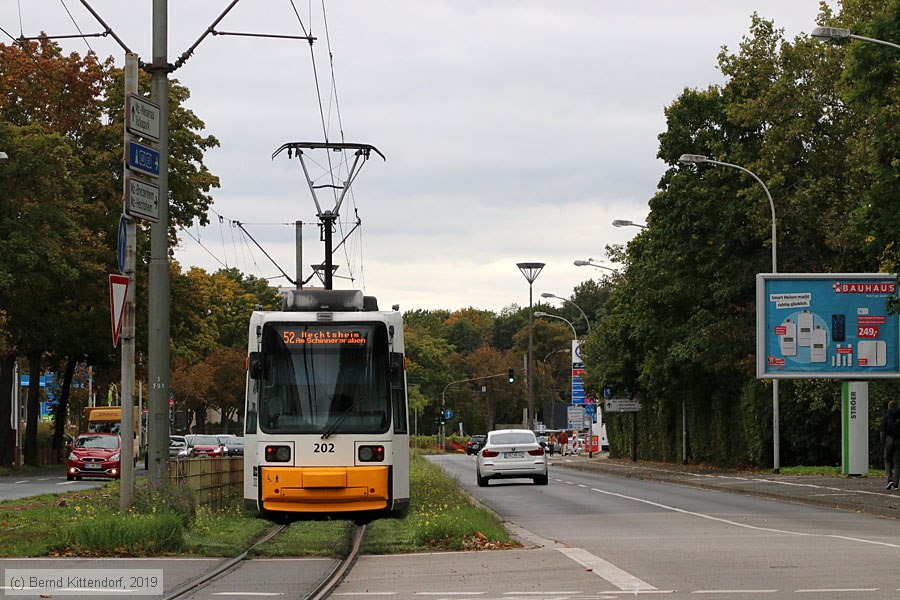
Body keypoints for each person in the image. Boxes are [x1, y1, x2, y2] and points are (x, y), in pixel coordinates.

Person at [880, 400, 900, 490]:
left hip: (889, 439)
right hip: (898, 440)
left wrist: (883, 441)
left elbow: (882, 431)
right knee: (897, 462)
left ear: (889, 407)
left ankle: (889, 479)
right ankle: (896, 484)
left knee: (887, 460)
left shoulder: (886, 416)